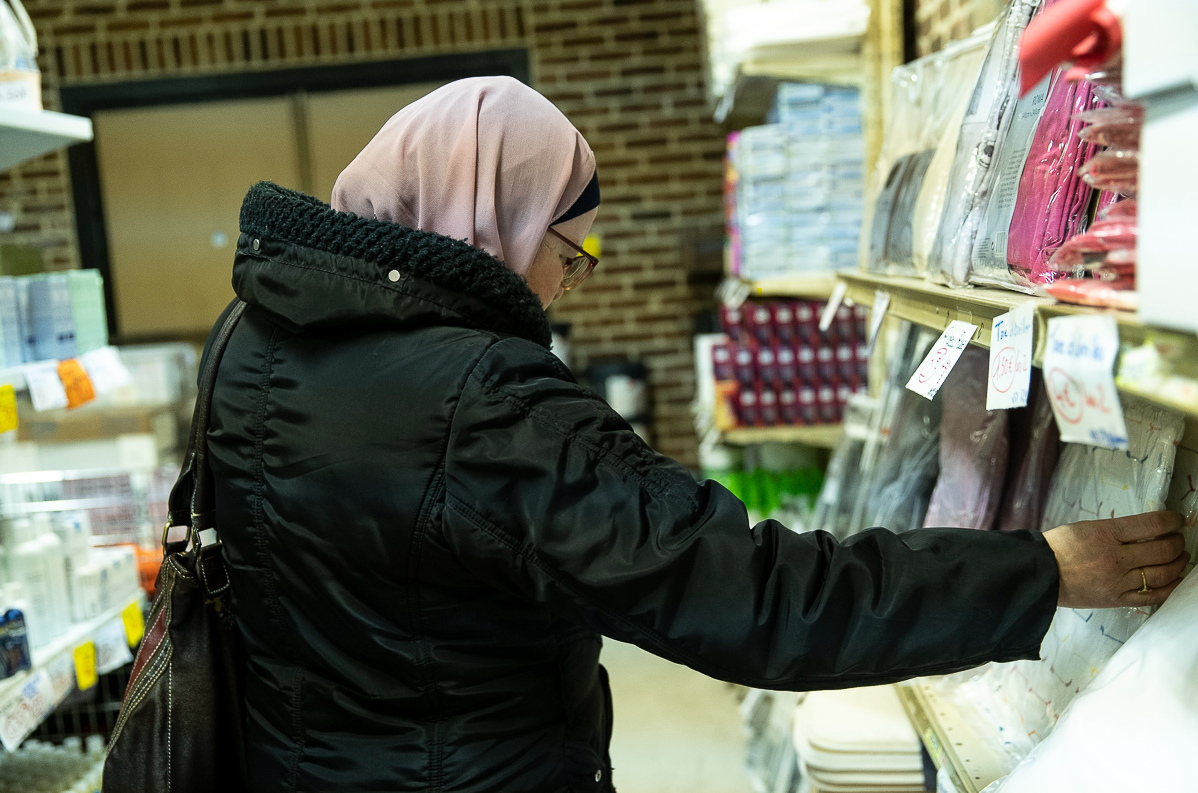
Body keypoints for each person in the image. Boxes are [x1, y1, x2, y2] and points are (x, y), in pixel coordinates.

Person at [205, 76, 1188, 792]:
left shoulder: (249, 340)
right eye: (564, 248)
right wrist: (1039, 570)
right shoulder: (485, 397)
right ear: (491, 214)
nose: (558, 282)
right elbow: (750, 595)